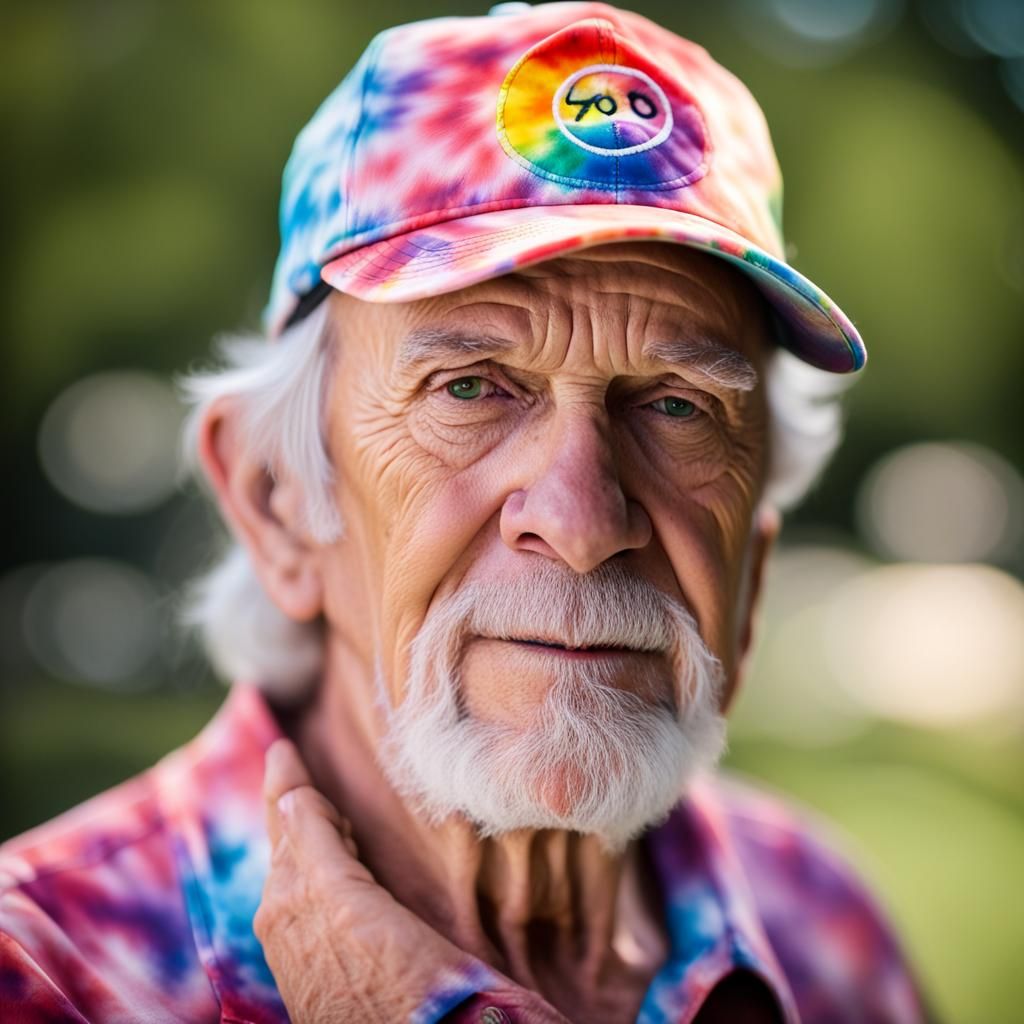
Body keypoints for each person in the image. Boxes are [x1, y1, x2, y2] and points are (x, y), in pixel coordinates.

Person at [0, 4, 934, 1022]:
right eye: (471, 388)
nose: (582, 524)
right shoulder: (49, 970)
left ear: (750, 558)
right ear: (274, 502)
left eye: (676, 406)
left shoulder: (826, 929)